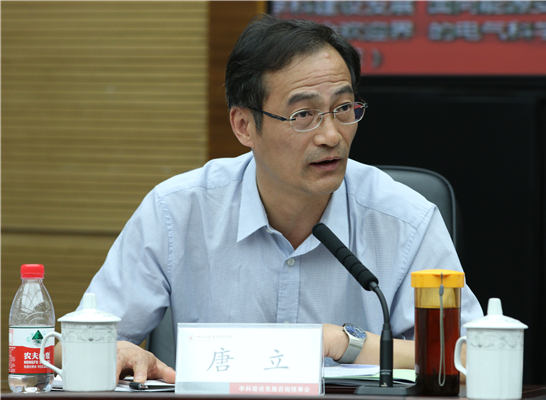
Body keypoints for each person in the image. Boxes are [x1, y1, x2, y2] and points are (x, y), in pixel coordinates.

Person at [69, 14, 483, 384]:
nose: (331, 135)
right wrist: (119, 351)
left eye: (343, 108)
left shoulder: (405, 220)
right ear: (244, 126)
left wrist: (344, 342)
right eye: (303, 115)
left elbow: (470, 357)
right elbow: (75, 346)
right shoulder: (177, 212)